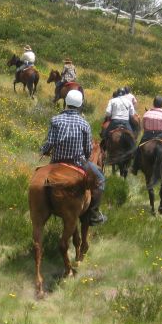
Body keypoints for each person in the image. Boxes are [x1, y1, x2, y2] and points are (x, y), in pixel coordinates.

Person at [40, 89, 107, 225]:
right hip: (78, 162)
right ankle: (93, 212)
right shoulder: (84, 124)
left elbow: (50, 142)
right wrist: (85, 157)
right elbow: (88, 150)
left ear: (66, 103)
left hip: (56, 161)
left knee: (38, 176)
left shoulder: (55, 120)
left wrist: (44, 150)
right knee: (100, 177)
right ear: (80, 104)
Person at [131, 95, 162, 175]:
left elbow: (144, 126)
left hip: (148, 135)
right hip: (161, 135)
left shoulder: (147, 114)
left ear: (154, 103)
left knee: (139, 148)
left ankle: (134, 167)